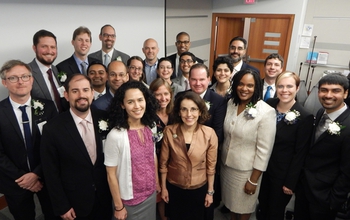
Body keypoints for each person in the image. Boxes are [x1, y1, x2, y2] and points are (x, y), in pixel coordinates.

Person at [40, 74, 112, 219]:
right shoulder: (52, 128)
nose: (81, 95)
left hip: (105, 196)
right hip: (75, 202)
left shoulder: (106, 118)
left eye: (85, 90)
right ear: (66, 95)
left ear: (92, 93)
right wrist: (62, 206)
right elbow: (50, 172)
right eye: (75, 91)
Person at [0, 60, 59, 220]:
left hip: (46, 176)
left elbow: (55, 146)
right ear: (4, 82)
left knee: (53, 214)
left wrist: (36, 174)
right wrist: (24, 178)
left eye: (25, 76)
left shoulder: (48, 107)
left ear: (31, 79)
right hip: (15, 181)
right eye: (13, 78)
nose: (20, 82)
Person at [257, 71, 314, 219]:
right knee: (261, 206)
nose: (284, 90)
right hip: (262, 169)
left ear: (297, 88)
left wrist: (290, 182)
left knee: (274, 212)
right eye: (280, 86)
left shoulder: (304, 116)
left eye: (289, 86)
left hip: (282, 175)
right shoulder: (268, 104)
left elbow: (300, 153)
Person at [221, 69, 276, 220]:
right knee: (232, 206)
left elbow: (264, 150)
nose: (244, 89)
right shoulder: (231, 103)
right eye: (241, 84)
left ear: (257, 87)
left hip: (246, 172)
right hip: (227, 167)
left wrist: (253, 180)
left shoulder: (266, 112)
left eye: (250, 85)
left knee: (244, 208)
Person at [294, 73, 350, 220]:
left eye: (335, 91)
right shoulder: (320, 113)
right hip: (305, 189)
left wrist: (334, 201)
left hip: (325, 197)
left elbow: (347, 171)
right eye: (324, 90)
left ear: (346, 93)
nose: (328, 95)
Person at [104, 80, 160, 220]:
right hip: (129, 200)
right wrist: (119, 206)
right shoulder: (115, 135)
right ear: (122, 105)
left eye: (140, 100)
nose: (137, 106)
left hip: (150, 194)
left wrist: (157, 182)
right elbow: (111, 175)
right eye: (130, 102)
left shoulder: (150, 127)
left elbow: (152, 157)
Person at [160, 91, 218, 220]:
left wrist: (210, 192)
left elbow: (211, 166)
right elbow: (163, 164)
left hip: (199, 189)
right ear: (179, 112)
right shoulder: (169, 131)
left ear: (200, 111)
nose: (189, 114)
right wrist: (163, 188)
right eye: (184, 109)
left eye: (193, 109)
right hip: (175, 188)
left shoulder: (209, 134)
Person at [149, 78, 174, 220]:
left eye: (166, 94)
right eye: (158, 94)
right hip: (155, 162)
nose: (163, 98)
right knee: (160, 196)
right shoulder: (148, 116)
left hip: (174, 161)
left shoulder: (176, 114)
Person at [29, 29, 65, 112]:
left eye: (53, 47)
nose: (49, 51)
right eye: (44, 46)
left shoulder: (57, 70)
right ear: (34, 48)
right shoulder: (26, 72)